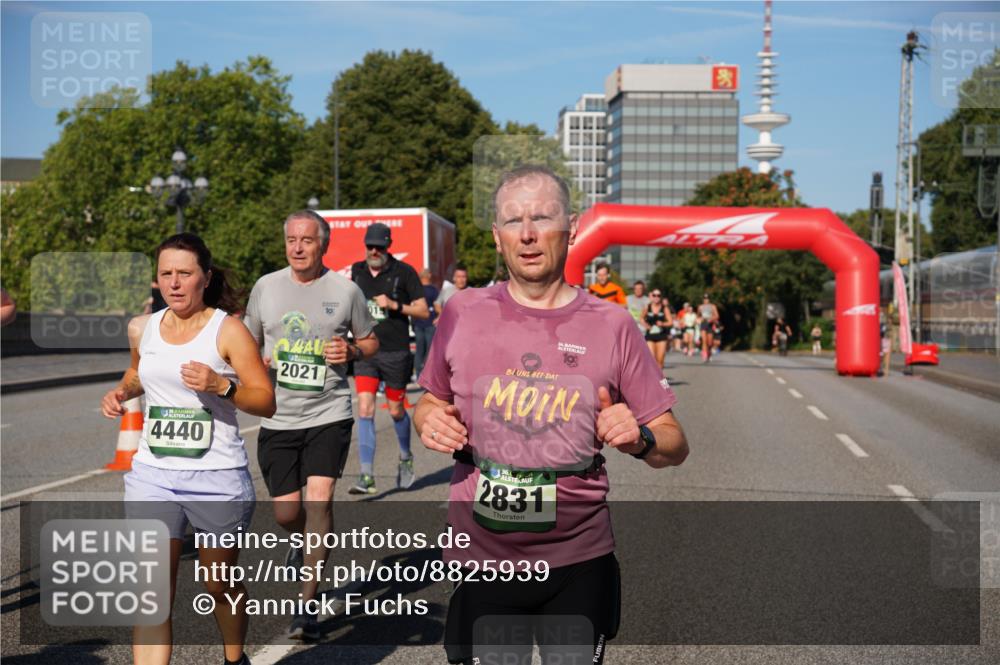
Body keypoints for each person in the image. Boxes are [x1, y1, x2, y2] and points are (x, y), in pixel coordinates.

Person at [413, 165, 688, 665]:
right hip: (483, 561)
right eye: (513, 221)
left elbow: (675, 443)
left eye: (542, 217)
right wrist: (426, 418)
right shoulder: (463, 312)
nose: (528, 233)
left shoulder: (613, 324)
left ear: (573, 226)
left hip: (578, 560)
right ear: (497, 238)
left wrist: (641, 438)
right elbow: (429, 399)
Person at [100, 233, 275, 665]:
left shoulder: (227, 329)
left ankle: (235, 659)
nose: (175, 283)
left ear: (205, 277)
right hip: (152, 477)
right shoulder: (143, 328)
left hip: (215, 478)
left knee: (219, 583)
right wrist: (122, 390)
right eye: (166, 274)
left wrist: (222, 386)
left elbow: (265, 400)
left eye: (185, 273)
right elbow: (140, 371)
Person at [243, 210, 378, 639]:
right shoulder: (266, 287)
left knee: (320, 500)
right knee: (287, 513)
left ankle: (306, 606)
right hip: (278, 415)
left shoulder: (346, 290)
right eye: (291, 240)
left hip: (328, 412)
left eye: (306, 240)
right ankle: (298, 540)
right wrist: (253, 362)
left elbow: (372, 340)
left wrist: (352, 351)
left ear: (324, 244)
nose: (297, 247)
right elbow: (245, 340)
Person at [350, 222, 430, 494]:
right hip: (366, 350)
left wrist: (394, 305)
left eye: (379, 247)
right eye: (369, 246)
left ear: (387, 247)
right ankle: (366, 475)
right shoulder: (357, 271)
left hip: (395, 351)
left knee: (396, 410)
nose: (374, 251)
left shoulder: (404, 272)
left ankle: (406, 456)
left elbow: (423, 312)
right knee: (364, 408)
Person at [413, 268, 439, 379]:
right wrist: (438, 317)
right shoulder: (433, 290)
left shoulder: (416, 290)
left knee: (419, 350)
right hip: (430, 323)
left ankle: (418, 374)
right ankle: (428, 375)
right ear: (427, 276)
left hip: (418, 323)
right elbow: (438, 305)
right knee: (429, 350)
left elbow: (413, 306)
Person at [641, 289, 671, 369]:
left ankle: (660, 380)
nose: (656, 297)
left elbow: (670, 322)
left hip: (661, 336)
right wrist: (646, 325)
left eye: (658, 295)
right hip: (650, 336)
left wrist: (663, 324)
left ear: (661, 297)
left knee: (660, 360)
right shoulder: (647, 307)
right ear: (652, 296)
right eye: (654, 295)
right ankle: (654, 380)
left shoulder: (664, 308)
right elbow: (641, 318)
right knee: (652, 359)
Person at [698, 294, 720, 363]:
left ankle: (709, 353)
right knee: (704, 340)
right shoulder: (700, 307)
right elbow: (698, 315)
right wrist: (699, 319)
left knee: (709, 342)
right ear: (703, 299)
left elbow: (717, 316)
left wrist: (712, 319)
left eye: (707, 299)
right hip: (703, 324)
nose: (706, 300)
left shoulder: (713, 306)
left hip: (710, 324)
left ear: (709, 299)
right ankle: (704, 356)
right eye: (704, 299)